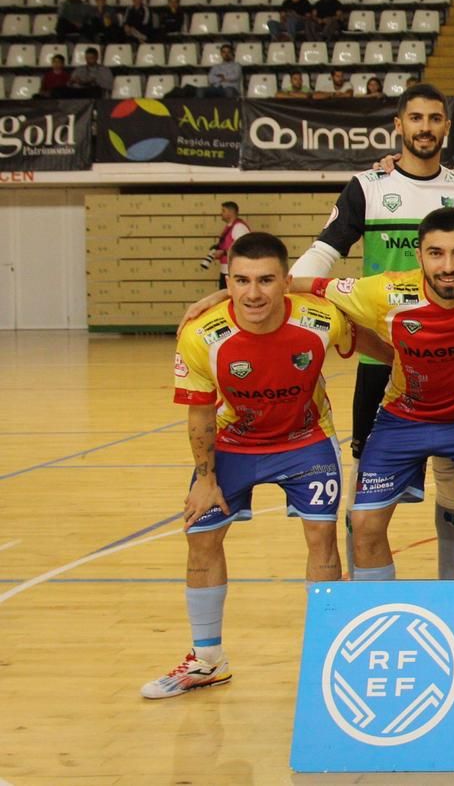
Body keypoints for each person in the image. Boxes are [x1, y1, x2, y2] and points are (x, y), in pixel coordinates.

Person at [142, 232, 369, 699]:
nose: (253, 293)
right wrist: (205, 479)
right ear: (228, 281)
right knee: (200, 537)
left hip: (305, 441)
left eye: (266, 280)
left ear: (287, 281)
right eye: (240, 281)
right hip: (232, 443)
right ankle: (207, 661)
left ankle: (328, 653)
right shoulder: (201, 333)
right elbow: (200, 412)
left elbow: (370, 338)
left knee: (321, 537)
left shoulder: (322, 319)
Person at [286, 84, 454, 579]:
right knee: (366, 486)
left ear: (446, 126)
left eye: (435, 118)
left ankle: (448, 585)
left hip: (449, 357)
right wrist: (279, 288)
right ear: (399, 125)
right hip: (383, 357)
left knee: (452, 483)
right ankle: (361, 590)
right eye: (415, 118)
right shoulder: (368, 186)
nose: (425, 127)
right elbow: (326, 250)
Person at [302, 208, 454, 583]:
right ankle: (379, 616)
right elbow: (300, 284)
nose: (448, 266)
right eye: (436, 253)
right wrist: (224, 295)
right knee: (364, 523)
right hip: (402, 421)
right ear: (419, 255)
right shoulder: (385, 292)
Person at [200, 202, 250, 289]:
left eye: (223, 210)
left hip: (235, 270)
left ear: (231, 212)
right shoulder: (230, 227)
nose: (221, 213)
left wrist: (223, 253)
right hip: (226, 270)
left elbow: (244, 248)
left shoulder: (239, 227)